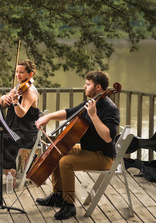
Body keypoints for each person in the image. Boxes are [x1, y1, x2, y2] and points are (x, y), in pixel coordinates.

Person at [35, 70, 120, 220]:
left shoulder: (110, 108)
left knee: (66, 162)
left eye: (88, 84)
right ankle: (58, 195)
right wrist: (48, 117)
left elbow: (108, 137)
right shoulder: (93, 101)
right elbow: (69, 113)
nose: (84, 87)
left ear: (98, 87)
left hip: (103, 156)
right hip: (88, 150)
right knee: (57, 151)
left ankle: (69, 204)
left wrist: (93, 116)